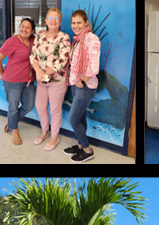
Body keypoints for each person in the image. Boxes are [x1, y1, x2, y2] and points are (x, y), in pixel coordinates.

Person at [29, 7, 71, 151]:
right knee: (40, 107)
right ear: (46, 21)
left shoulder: (64, 37)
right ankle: (44, 131)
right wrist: (39, 71)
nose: (53, 21)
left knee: (55, 110)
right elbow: (32, 56)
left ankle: (55, 137)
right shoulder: (40, 35)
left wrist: (45, 72)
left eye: (56, 19)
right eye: (50, 18)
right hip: (41, 79)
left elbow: (62, 60)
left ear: (60, 21)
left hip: (57, 81)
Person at [64, 10, 101, 163]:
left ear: (86, 23)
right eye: (73, 23)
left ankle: (87, 149)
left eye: (79, 22)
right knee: (81, 117)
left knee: (73, 120)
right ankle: (80, 145)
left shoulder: (91, 39)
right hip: (76, 84)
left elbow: (94, 66)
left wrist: (83, 81)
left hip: (85, 86)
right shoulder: (78, 39)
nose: (75, 25)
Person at [0, 18, 36, 146]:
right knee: (13, 107)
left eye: (28, 27)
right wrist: (2, 74)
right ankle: (15, 130)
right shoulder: (12, 41)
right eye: (22, 26)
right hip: (12, 81)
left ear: (33, 30)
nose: (24, 29)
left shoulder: (34, 40)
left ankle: (12, 122)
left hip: (28, 80)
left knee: (29, 106)